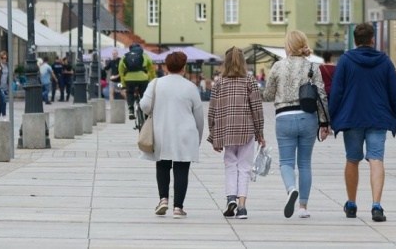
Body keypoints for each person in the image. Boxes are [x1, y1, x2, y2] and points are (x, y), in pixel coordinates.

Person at [329, 22, 396, 223]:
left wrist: (330, 117)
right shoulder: (385, 61)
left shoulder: (345, 61)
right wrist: (395, 115)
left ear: (354, 40)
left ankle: (351, 204)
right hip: (378, 117)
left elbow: (336, 92)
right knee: (376, 159)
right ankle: (376, 205)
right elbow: (395, 92)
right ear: (372, 40)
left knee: (352, 159)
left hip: (352, 117)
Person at [263, 30, 329, 219]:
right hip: (308, 117)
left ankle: (291, 189)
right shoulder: (312, 67)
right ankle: (303, 207)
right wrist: (325, 123)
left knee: (286, 162)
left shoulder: (278, 66)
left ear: (288, 46)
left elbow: (267, 95)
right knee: (305, 163)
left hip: (284, 118)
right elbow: (322, 96)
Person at [139, 51, 204, 218]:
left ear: (166, 67)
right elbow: (199, 116)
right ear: (184, 67)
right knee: (182, 168)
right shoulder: (190, 87)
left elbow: (144, 105)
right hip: (185, 133)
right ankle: (178, 207)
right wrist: (198, 137)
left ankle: (163, 199)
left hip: (162, 130)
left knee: (162, 164)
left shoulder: (156, 83)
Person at [207, 46, 265, 220]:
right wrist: (260, 132)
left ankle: (230, 197)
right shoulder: (249, 80)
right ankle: (241, 207)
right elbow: (256, 107)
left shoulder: (219, 82)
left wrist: (213, 135)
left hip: (226, 131)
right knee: (244, 168)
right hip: (246, 130)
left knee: (230, 165)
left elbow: (212, 110)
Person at [119, 43, 155, 120]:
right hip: (143, 79)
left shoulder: (125, 56)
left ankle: (131, 110)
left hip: (129, 79)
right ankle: (146, 113)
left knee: (129, 92)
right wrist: (152, 80)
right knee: (144, 94)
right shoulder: (144, 55)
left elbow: (121, 70)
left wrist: (123, 83)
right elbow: (151, 69)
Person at [0, 52, 8, 120]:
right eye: (3, 58)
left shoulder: (7, 66)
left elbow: (11, 75)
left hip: (5, 87)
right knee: (4, 101)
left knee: (1, 101)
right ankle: (4, 115)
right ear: (0, 58)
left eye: (5, 58)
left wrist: (16, 81)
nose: (4, 60)